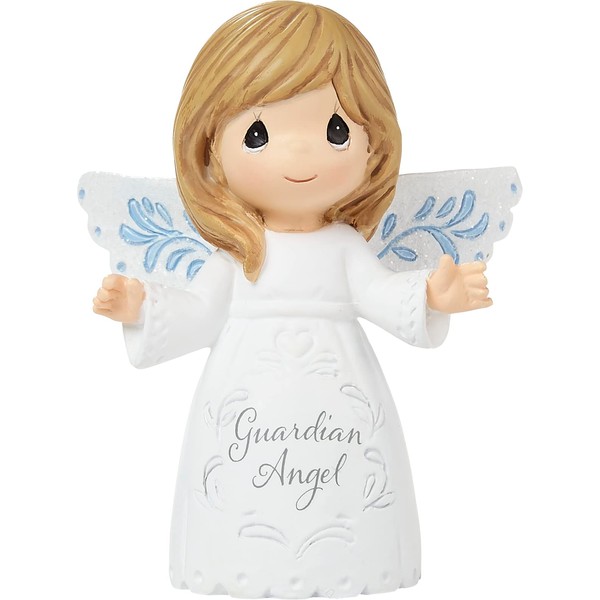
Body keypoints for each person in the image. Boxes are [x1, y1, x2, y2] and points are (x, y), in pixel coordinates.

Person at [92, 2, 490, 597]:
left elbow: (382, 294)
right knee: (235, 492)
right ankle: (235, 561)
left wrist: (431, 293)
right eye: (259, 134)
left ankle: (353, 561)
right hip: (245, 405)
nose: (300, 155)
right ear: (210, 151)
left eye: (335, 131)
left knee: (352, 492)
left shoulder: (345, 247)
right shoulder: (235, 258)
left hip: (339, 410)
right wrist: (143, 308)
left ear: (373, 146)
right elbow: (198, 314)